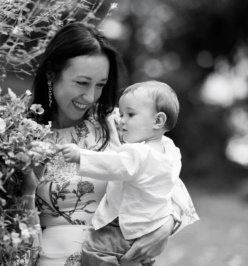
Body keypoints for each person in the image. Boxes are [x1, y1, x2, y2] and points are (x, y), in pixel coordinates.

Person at [21, 22, 199, 266]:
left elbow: (169, 183)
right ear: (52, 74)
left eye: (101, 85)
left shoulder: (119, 124)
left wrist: (164, 228)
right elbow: (11, 229)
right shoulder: (22, 135)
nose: (91, 96)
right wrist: (27, 193)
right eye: (82, 83)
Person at [57, 81, 186, 266]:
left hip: (122, 226)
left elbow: (112, 164)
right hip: (149, 226)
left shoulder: (138, 153)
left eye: (130, 114)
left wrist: (80, 156)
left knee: (95, 251)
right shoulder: (170, 150)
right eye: (122, 113)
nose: (122, 119)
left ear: (158, 121)